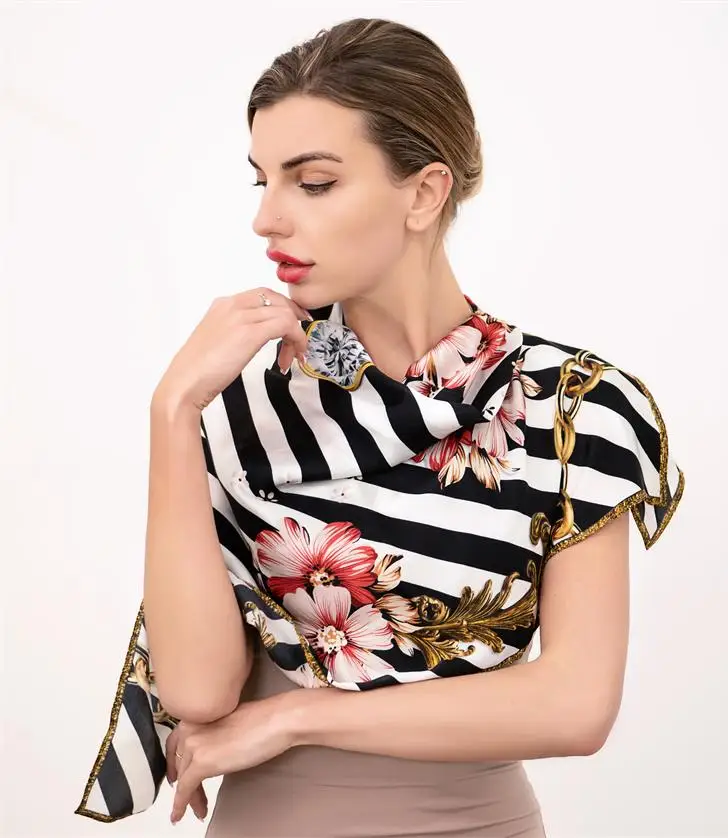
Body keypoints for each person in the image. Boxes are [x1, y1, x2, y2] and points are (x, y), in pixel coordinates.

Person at [75, 17, 684, 838]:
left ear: (424, 193)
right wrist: (173, 412)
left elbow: (575, 705)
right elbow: (197, 692)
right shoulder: (244, 401)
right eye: (262, 181)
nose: (267, 219)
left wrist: (296, 717)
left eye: (313, 182)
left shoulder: (573, 410)